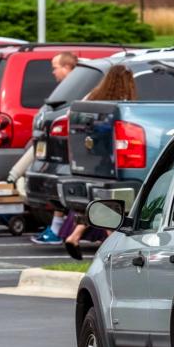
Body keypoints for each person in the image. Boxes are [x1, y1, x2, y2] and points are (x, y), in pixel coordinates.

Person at [63, 64, 137, 260]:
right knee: (111, 203)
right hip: (112, 159)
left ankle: (75, 236)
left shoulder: (94, 96)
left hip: (91, 157)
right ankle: (111, 246)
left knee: (99, 201)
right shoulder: (122, 104)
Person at [31, 51, 80, 245]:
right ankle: (56, 228)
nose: (53, 72)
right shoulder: (67, 89)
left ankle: (61, 230)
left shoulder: (75, 90)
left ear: (67, 68)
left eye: (55, 67)